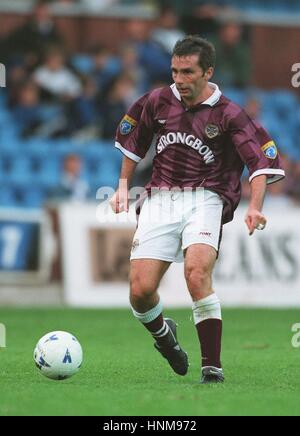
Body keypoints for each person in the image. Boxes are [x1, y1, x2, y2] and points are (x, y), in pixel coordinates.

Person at [110, 36, 285, 384]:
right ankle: (165, 336)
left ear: (208, 72)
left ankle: (212, 368)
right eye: (175, 71)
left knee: (196, 273)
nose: (180, 79)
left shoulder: (229, 113)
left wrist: (256, 206)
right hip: (161, 197)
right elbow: (133, 144)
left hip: (207, 196)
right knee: (140, 291)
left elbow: (260, 164)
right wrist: (122, 187)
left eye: (188, 72)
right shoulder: (157, 101)